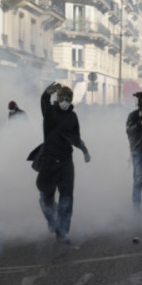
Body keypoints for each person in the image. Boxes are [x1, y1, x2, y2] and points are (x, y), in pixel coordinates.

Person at [35, 82, 91, 244]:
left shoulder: (73, 117)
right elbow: (44, 102)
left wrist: (85, 150)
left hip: (66, 163)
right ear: (57, 98)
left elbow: (76, 137)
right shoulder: (50, 112)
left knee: (67, 199)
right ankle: (52, 220)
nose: (65, 100)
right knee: (46, 197)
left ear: (72, 99)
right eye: (62, 97)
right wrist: (46, 93)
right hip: (48, 161)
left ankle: (63, 232)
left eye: (68, 98)